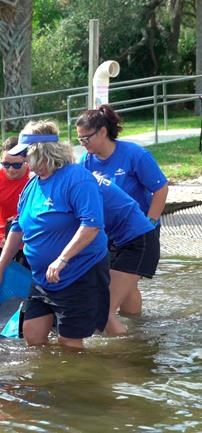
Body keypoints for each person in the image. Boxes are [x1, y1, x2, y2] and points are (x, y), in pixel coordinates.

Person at [0, 121, 110, 349]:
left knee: (69, 342)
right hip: (43, 278)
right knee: (32, 335)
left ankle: (79, 383)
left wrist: (62, 259)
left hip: (78, 273)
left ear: (40, 152)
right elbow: (17, 230)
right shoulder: (32, 185)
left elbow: (92, 225)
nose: (22, 161)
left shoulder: (77, 179)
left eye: (24, 154)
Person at [76, 104, 168, 315]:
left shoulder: (134, 154)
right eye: (79, 140)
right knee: (126, 284)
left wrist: (150, 222)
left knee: (122, 281)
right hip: (110, 232)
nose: (82, 144)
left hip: (139, 231)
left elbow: (160, 189)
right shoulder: (86, 161)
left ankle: (125, 328)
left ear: (102, 132)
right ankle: (135, 325)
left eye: (85, 138)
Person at [93, 174, 160, 336]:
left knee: (103, 311)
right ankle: (137, 330)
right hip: (127, 239)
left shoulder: (76, 183)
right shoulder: (81, 174)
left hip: (138, 242)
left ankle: (129, 352)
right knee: (128, 289)